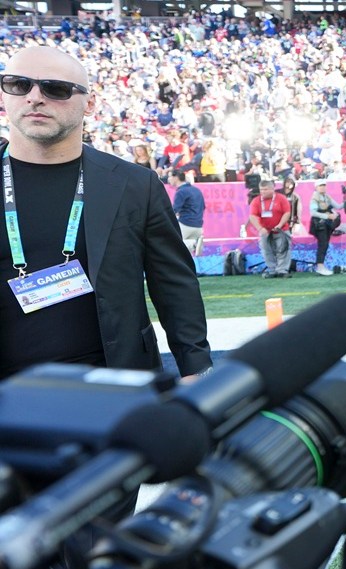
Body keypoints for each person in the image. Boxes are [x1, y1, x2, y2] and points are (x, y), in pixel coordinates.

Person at [0, 46, 211, 380]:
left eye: (56, 88)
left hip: (116, 387)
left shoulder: (135, 184)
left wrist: (196, 369)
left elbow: (174, 286)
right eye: (18, 84)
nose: (34, 97)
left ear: (91, 104)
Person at [248, 176, 293, 278]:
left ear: (272, 189)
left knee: (283, 249)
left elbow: (287, 213)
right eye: (261, 190)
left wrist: (280, 225)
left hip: (281, 229)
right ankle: (272, 270)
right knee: (266, 250)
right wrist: (260, 228)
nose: (262, 192)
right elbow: (252, 216)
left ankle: (282, 270)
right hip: (265, 231)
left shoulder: (281, 198)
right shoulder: (256, 201)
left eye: (265, 189)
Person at [308, 180, 342, 276]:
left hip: (325, 224)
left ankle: (321, 266)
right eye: (320, 186)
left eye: (324, 185)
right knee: (323, 245)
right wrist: (328, 216)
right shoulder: (315, 198)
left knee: (325, 244)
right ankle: (320, 267)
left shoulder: (327, 197)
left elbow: (338, 206)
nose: (323, 187)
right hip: (319, 225)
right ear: (316, 187)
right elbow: (313, 213)